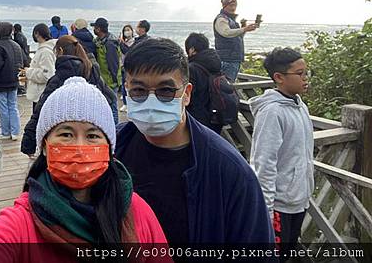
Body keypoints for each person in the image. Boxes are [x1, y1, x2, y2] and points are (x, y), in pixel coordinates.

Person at [0, 77, 170, 263]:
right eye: (66, 134)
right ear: (44, 145)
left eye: (92, 135)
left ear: (109, 148)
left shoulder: (135, 209)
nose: (79, 147)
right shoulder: (19, 223)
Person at [116, 38, 274, 247]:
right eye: (139, 91)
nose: (151, 101)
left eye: (165, 91)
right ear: (126, 90)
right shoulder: (112, 150)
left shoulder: (228, 170)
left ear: (187, 94)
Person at [250, 47, 314, 258]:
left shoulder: (299, 105)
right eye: (300, 74)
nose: (306, 78)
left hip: (298, 199)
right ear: (278, 77)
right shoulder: (272, 112)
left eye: (307, 72)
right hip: (279, 205)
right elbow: (263, 163)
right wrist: (266, 211)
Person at [21, 35, 117, 156]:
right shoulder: (92, 71)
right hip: (94, 148)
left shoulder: (59, 79)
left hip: (64, 150)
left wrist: (28, 143)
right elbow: (111, 98)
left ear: (60, 51)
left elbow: (41, 111)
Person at [184, 32, 224, 134]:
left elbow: (188, 96)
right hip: (216, 117)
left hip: (197, 120)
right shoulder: (216, 64)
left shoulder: (192, 68)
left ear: (192, 50)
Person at [213, 0, 257, 82]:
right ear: (225, 6)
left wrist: (244, 28)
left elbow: (238, 37)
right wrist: (244, 28)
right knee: (225, 86)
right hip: (226, 59)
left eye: (235, 5)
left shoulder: (231, 20)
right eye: (231, 5)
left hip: (233, 59)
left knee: (228, 85)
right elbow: (226, 33)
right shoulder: (221, 19)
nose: (233, 7)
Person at [91, 17, 121, 123]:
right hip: (105, 79)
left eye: (94, 27)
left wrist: (115, 81)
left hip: (110, 81)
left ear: (98, 29)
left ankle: (115, 130)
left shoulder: (109, 44)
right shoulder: (100, 41)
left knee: (112, 106)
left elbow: (113, 64)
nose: (93, 30)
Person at [21, 23, 55, 112]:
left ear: (37, 33)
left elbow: (46, 75)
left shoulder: (45, 52)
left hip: (41, 95)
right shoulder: (47, 48)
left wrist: (28, 72)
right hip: (42, 94)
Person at [119, 24, 135, 112]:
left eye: (128, 30)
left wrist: (121, 43)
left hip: (129, 66)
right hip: (122, 65)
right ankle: (125, 103)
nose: (127, 32)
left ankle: (128, 104)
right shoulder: (124, 41)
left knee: (128, 85)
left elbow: (127, 51)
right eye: (125, 30)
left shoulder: (133, 41)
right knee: (123, 85)